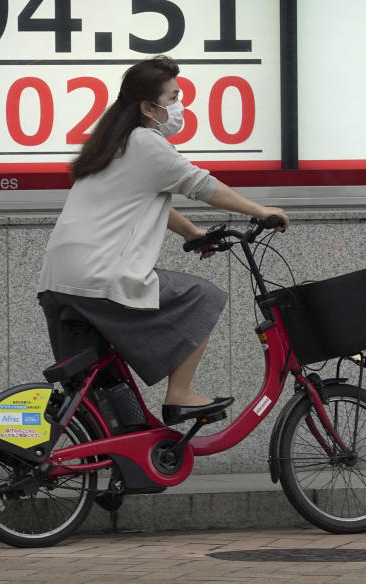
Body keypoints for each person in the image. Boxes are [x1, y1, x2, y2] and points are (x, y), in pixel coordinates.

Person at [37, 55, 289, 426]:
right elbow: (201, 185)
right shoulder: (145, 143)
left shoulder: (111, 144)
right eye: (172, 98)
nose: (178, 106)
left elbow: (142, 199)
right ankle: (180, 396)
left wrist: (191, 233)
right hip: (100, 273)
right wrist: (261, 210)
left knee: (98, 387)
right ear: (147, 107)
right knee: (203, 296)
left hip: (59, 279)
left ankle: (112, 461)